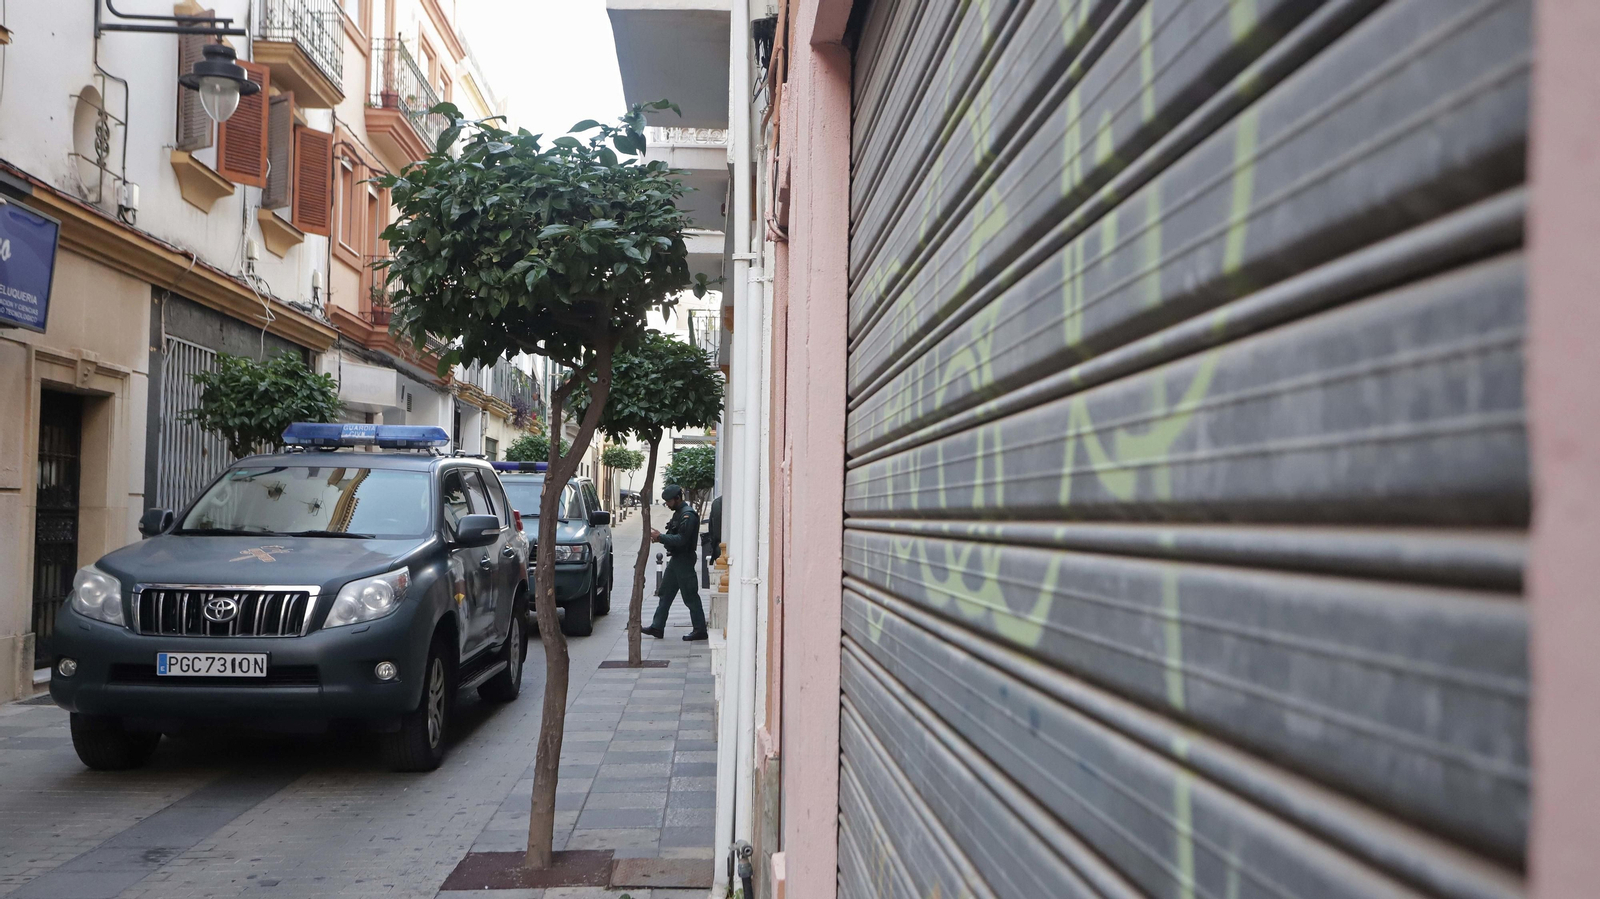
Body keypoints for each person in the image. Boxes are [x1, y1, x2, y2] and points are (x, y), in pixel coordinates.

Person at [642, 484, 707, 641]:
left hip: (684, 560)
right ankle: (657, 626)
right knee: (665, 593)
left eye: (669, 501)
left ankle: (700, 630)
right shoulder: (679, 513)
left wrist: (661, 537)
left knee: (690, 596)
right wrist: (661, 537)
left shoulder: (688, 516)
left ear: (677, 499)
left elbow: (682, 540)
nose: (667, 504)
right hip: (676, 559)